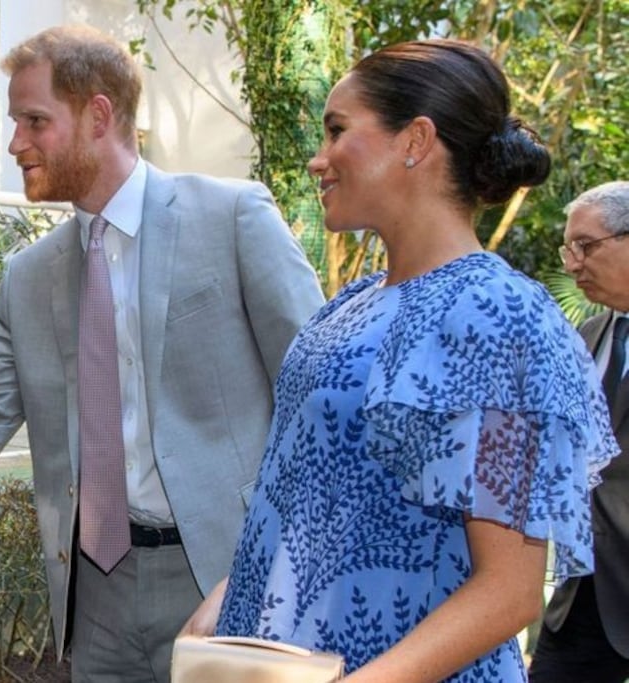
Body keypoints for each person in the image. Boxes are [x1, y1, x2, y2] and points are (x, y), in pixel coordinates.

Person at [0, 24, 325, 683]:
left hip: (228, 582)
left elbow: (319, 404)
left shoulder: (231, 218)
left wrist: (267, 560)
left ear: (97, 115)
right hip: (95, 600)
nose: (14, 142)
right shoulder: (29, 277)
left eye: (33, 120)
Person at [180, 39, 619, 682]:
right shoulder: (351, 303)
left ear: (414, 140)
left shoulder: (503, 317)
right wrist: (234, 588)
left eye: (337, 131)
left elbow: (509, 589)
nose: (318, 159)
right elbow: (319, 497)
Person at [530, 181, 629, 683]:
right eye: (569, 249)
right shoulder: (588, 337)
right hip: (583, 596)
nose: (572, 264)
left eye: (586, 246)